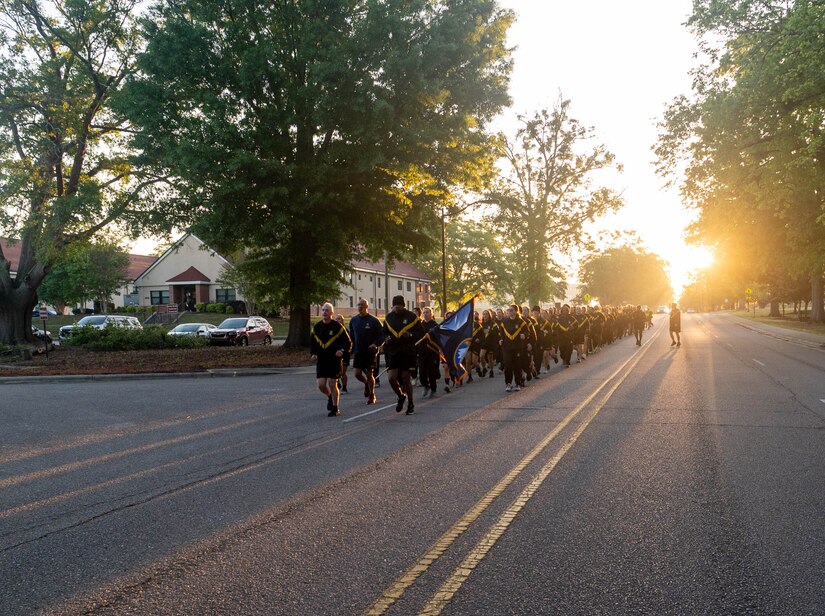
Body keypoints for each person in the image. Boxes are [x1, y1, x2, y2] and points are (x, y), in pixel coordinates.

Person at [383, 295, 424, 414]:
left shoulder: (412, 317)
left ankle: (410, 403)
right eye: (395, 306)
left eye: (399, 305)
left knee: (406, 378)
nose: (397, 308)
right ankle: (401, 396)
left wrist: (410, 335)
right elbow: (384, 333)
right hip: (394, 351)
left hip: (408, 351)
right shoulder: (389, 317)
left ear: (403, 305)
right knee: (391, 378)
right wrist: (386, 338)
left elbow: (421, 333)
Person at [310, 302, 352, 417]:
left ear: (332, 313)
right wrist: (313, 354)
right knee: (321, 385)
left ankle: (335, 408)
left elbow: (348, 343)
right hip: (322, 360)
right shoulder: (317, 327)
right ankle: (330, 396)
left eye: (327, 310)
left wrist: (342, 351)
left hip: (334, 360)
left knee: (332, 383)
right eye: (323, 310)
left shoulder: (338, 327)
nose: (324, 312)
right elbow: (312, 344)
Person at [348, 299, 384, 404]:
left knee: (369, 374)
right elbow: (351, 337)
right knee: (357, 374)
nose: (360, 307)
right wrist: (350, 348)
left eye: (362, 305)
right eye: (358, 305)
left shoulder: (374, 320)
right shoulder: (353, 320)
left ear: (366, 307)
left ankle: (372, 395)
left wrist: (376, 344)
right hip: (358, 352)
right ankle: (366, 385)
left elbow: (382, 335)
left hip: (370, 352)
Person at [418, 306, 441, 399]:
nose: (425, 314)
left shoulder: (435, 325)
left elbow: (439, 338)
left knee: (431, 372)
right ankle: (425, 385)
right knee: (422, 372)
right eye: (424, 312)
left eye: (427, 312)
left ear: (431, 314)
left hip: (432, 352)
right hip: (422, 352)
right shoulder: (419, 325)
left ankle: (433, 389)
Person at [334, 314, 350, 392]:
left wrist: (344, 350)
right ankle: (338, 384)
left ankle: (344, 387)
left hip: (344, 354)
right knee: (336, 371)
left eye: (339, 319)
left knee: (343, 371)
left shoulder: (345, 331)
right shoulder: (333, 330)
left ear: (342, 321)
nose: (337, 320)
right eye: (336, 319)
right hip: (335, 354)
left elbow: (348, 343)